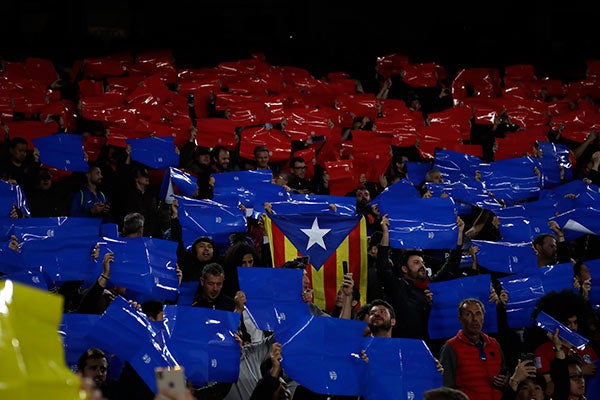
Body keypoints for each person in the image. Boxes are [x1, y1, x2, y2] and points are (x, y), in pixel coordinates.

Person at [376, 214, 465, 340]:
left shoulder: (431, 285)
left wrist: (459, 234)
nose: (422, 266)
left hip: (431, 345)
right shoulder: (398, 287)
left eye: (422, 263)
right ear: (404, 269)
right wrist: (385, 233)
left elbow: (452, 265)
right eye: (416, 263)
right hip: (405, 344)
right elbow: (383, 267)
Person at [439, 298, 508, 400]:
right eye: (469, 314)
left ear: (483, 318)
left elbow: (505, 373)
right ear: (460, 319)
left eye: (478, 314)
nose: (475, 318)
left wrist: (504, 381)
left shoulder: (494, 344)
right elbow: (446, 388)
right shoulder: (450, 347)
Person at [169, 199, 222, 282]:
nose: (206, 249)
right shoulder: (185, 262)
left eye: (209, 246)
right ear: (194, 250)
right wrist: (175, 216)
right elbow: (177, 240)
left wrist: (241, 218)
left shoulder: (220, 266)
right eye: (201, 246)